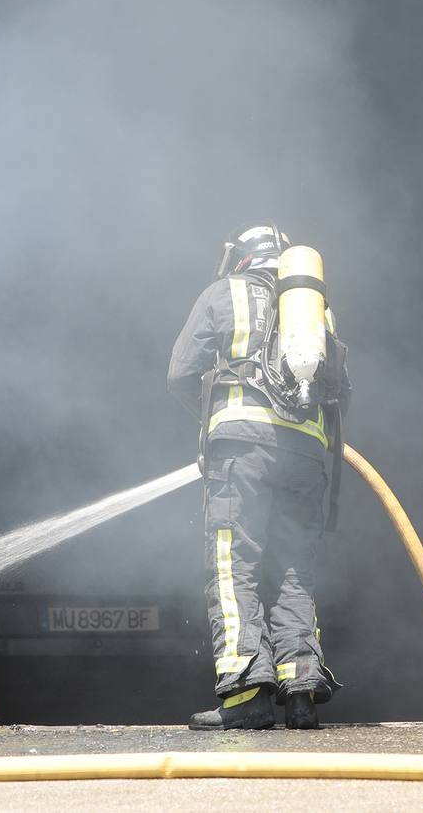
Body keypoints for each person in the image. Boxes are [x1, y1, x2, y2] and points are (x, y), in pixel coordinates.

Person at [167, 224, 348, 730]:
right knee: (295, 570)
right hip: (308, 456)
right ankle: (301, 691)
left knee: (233, 563)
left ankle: (246, 691)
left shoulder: (222, 294)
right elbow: (340, 389)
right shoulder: (315, 311)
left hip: (241, 450)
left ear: (241, 260)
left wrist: (217, 418)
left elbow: (181, 373)